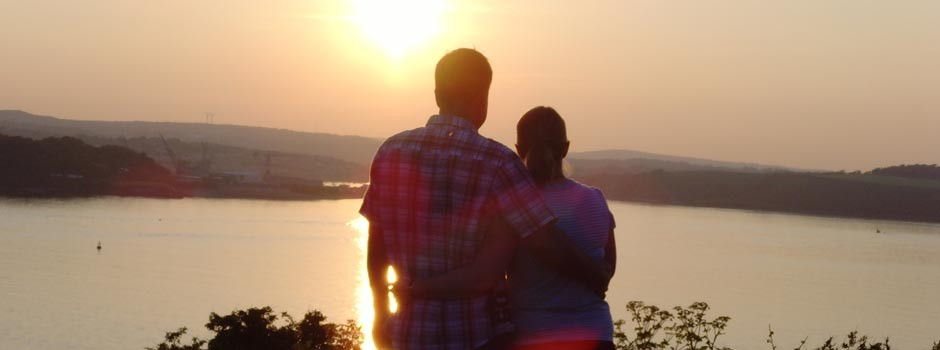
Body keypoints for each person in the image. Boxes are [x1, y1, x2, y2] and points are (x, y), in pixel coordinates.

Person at [361, 49, 611, 350]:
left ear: (437, 93)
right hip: (476, 337)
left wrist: (380, 313)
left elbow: (377, 248)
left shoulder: (390, 152)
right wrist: (595, 276)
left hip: (407, 334)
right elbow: (544, 242)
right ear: (483, 97)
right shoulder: (500, 163)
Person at [398, 107, 617, 350]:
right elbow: (608, 269)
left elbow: (484, 275)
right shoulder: (596, 200)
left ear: (518, 149)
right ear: (565, 148)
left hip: (536, 337)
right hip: (597, 336)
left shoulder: (515, 207)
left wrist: (415, 288)